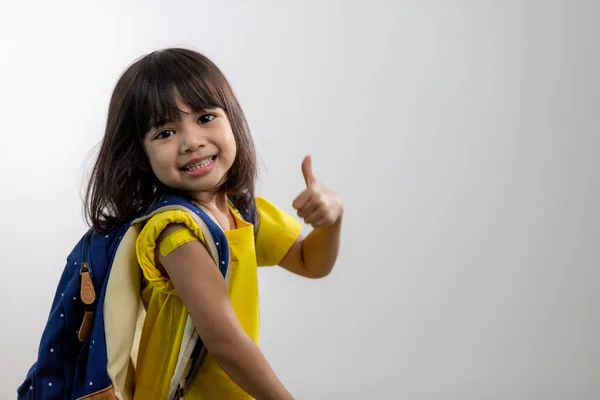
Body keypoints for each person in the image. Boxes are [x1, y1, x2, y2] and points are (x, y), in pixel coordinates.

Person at [84, 47, 343, 399]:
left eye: (205, 117)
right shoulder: (176, 233)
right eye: (164, 133)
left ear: (232, 119)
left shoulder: (241, 212)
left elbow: (310, 262)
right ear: (141, 157)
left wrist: (333, 218)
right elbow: (224, 341)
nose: (192, 142)